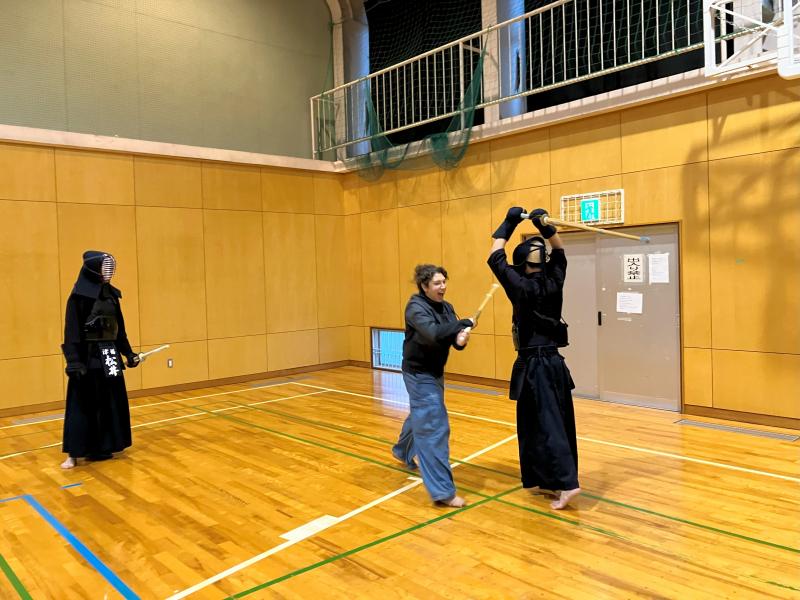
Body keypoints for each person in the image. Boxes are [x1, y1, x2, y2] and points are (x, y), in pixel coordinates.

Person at [487, 207, 580, 510]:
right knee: (535, 422)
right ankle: (549, 479)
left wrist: (509, 222)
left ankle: (568, 483)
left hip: (537, 365)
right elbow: (560, 253)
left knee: (548, 424)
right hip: (552, 362)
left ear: (521, 263)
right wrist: (545, 227)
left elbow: (495, 255)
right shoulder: (555, 280)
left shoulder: (521, 287)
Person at [392, 264, 474, 507]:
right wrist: (462, 324)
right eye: (437, 283)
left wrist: (461, 339)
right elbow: (434, 333)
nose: (443, 287)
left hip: (435, 372)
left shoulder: (447, 307)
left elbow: (452, 338)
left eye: (444, 282)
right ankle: (443, 492)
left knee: (423, 414)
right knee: (434, 426)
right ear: (424, 286)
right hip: (418, 374)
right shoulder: (415, 307)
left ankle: (402, 450)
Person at [60, 251, 139, 469]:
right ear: (93, 270)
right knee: (82, 405)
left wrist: (128, 353)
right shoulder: (78, 296)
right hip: (88, 357)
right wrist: (73, 361)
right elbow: (72, 331)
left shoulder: (111, 295)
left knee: (110, 402)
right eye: (104, 268)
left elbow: (119, 329)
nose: (108, 273)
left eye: (110, 269)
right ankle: (73, 454)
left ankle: (105, 446)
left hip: (109, 354)